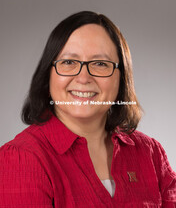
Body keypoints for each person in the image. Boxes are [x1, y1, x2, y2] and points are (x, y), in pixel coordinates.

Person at [0, 11, 175, 207]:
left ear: (121, 78)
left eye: (100, 63)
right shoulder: (22, 158)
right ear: (48, 74)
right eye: (68, 62)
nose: (83, 78)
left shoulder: (150, 154)